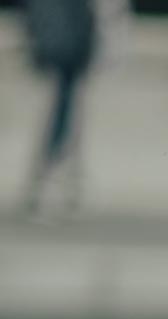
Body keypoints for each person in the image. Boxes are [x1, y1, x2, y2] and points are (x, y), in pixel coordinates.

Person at [18, 0, 125, 222]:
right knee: (65, 109)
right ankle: (54, 180)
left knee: (65, 108)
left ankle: (60, 180)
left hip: (61, 32)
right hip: (70, 35)